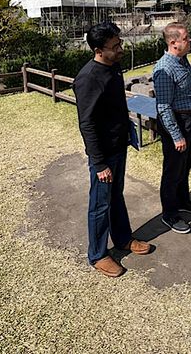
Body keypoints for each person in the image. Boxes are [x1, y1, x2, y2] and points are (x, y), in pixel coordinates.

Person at [73, 21, 151, 278]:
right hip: (103, 154)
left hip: (119, 145)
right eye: (114, 46)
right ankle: (97, 254)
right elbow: (87, 123)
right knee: (100, 204)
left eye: (120, 43)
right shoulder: (88, 79)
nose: (120, 49)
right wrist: (99, 163)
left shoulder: (114, 67)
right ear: (98, 50)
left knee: (116, 196)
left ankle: (123, 239)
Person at [153, 22, 191, 234]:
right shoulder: (164, 68)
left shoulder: (182, 60)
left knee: (186, 163)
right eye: (186, 37)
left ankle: (184, 201)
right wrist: (176, 136)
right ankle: (170, 214)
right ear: (174, 43)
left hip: (190, 117)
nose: (190, 40)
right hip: (177, 121)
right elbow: (164, 107)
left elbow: (185, 86)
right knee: (173, 170)